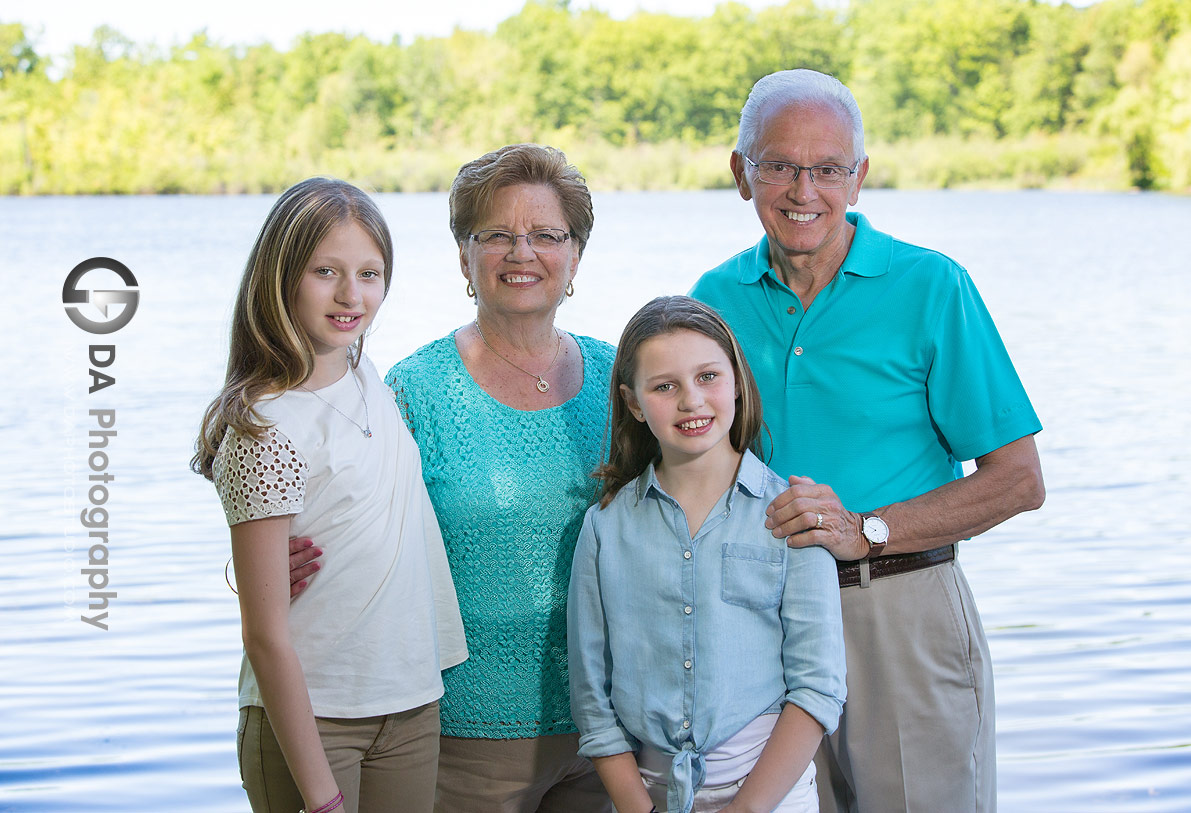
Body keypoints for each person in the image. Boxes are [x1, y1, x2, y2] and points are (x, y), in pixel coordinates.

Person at [690, 70, 1045, 813]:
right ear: (739, 172)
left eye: (827, 169)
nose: (803, 190)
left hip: (899, 608)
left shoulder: (931, 286)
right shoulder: (711, 301)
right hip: (757, 621)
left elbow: (1018, 479)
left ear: (860, 178)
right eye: (780, 165)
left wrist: (867, 529)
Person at [293, 144, 615, 811]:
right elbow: (318, 512)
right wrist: (268, 566)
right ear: (463, 257)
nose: (521, 252)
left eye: (546, 235)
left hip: (609, 731)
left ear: (575, 255)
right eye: (495, 234)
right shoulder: (412, 390)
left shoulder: (627, 380)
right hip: (463, 734)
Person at [192, 177, 466, 813]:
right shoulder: (265, 426)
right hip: (313, 720)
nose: (352, 295)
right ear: (281, 277)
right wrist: (320, 798)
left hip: (409, 705)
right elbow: (264, 637)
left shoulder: (367, 374)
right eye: (326, 272)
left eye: (370, 273)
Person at [568, 295, 847, 813]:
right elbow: (592, 697)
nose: (691, 402)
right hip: (649, 795)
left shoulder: (792, 515)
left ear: (737, 382)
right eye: (665, 386)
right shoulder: (605, 528)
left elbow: (817, 688)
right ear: (633, 403)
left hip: (770, 795)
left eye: (708, 377)